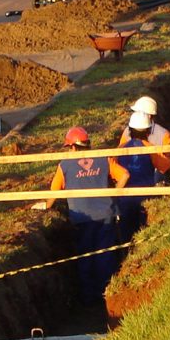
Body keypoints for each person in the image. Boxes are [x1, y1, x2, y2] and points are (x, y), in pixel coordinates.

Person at [32, 126, 129, 304]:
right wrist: (114, 193)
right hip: (105, 215)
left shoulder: (65, 165)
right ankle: (107, 295)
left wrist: (45, 205)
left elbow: (55, 191)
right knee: (105, 255)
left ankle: (89, 298)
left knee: (85, 256)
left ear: (73, 147)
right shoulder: (104, 159)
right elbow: (125, 175)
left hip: (82, 219)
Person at [115, 110, 169, 244]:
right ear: (148, 131)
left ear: (130, 130)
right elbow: (165, 166)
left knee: (125, 235)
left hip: (124, 201)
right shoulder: (151, 149)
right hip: (145, 199)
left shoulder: (118, 150)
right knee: (145, 235)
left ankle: (124, 257)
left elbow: (111, 170)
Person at [119, 95, 170, 180]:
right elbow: (119, 154)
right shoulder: (126, 132)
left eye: (138, 112)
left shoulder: (163, 135)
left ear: (149, 116)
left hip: (155, 174)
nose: (135, 114)